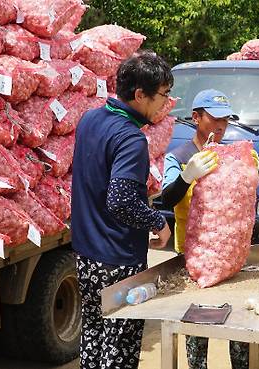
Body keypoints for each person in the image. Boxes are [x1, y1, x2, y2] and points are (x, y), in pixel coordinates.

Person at [71, 51, 173, 369]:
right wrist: (158, 222)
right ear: (140, 94)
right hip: (117, 261)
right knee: (120, 348)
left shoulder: (90, 119)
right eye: (162, 96)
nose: (165, 104)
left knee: (93, 337)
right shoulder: (131, 139)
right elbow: (122, 201)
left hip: (86, 254)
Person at [160, 89, 258, 369]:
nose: (221, 126)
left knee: (238, 330)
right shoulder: (180, 156)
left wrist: (250, 174)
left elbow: (243, 206)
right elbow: (167, 198)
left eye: (226, 120)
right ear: (196, 117)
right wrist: (186, 176)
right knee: (198, 335)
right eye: (214, 119)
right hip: (194, 263)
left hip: (230, 260)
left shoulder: (234, 155)